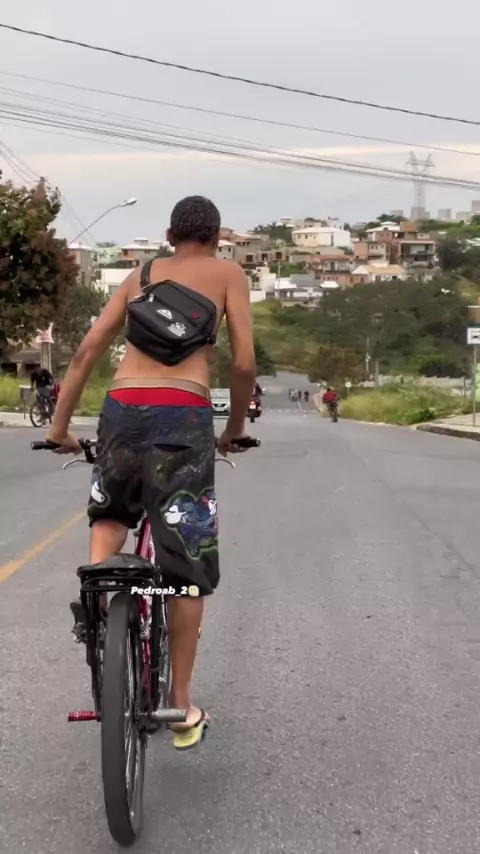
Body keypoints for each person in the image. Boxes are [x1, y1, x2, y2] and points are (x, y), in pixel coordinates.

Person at [45, 196, 256, 750]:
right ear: (217, 238)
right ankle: (181, 705)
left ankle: (99, 607)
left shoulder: (141, 275)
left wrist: (59, 428)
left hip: (121, 410)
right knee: (185, 560)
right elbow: (243, 362)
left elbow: (87, 351)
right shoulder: (228, 273)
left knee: (111, 514)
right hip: (182, 416)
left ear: (168, 235)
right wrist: (233, 427)